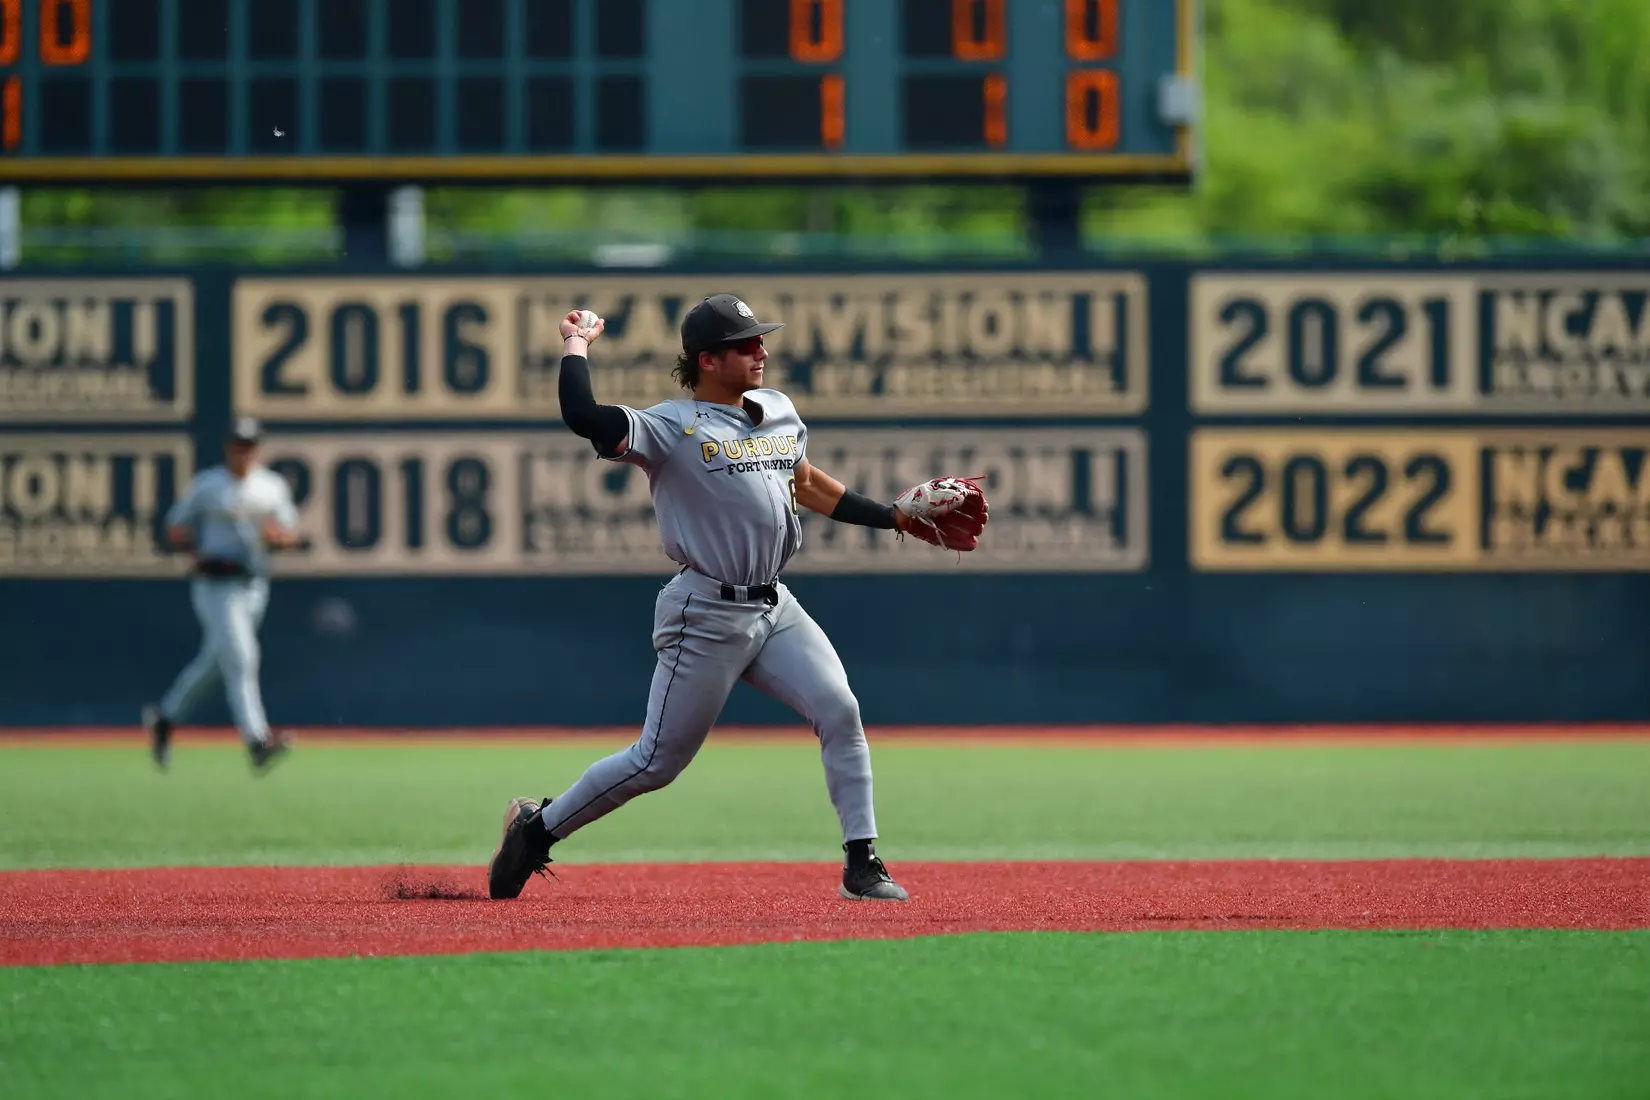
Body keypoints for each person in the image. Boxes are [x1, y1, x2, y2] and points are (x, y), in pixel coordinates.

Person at [486, 295, 988, 902]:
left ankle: (862, 861)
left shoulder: (777, 410)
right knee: (656, 763)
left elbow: (809, 485)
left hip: (774, 607)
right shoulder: (670, 426)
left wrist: (893, 518)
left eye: (760, 340)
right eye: (746, 345)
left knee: (840, 710)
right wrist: (576, 345)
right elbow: (583, 416)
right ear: (707, 359)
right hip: (705, 610)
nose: (761, 352)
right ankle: (535, 831)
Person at [142, 416, 302, 773]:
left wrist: (278, 538)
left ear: (258, 449)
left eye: (249, 445)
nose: (243, 452)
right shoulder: (209, 484)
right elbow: (175, 527)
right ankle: (257, 741)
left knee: (217, 662)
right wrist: (195, 552)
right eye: (238, 445)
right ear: (228, 447)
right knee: (243, 657)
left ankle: (164, 719)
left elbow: (290, 534)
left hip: (254, 585)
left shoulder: (271, 487)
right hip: (215, 586)